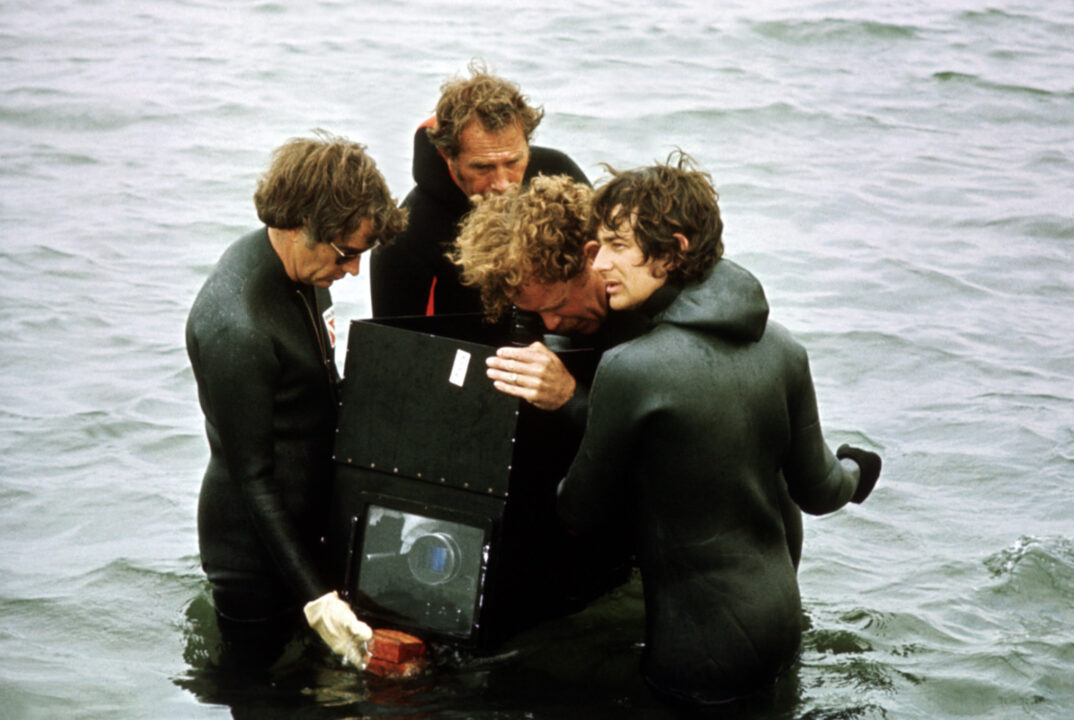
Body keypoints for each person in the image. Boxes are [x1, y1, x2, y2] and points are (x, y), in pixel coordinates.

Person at [556, 152, 883, 706]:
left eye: (617, 245)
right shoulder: (784, 347)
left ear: (676, 249)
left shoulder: (633, 368)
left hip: (699, 653)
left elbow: (577, 511)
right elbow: (822, 492)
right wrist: (857, 466)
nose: (599, 264)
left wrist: (567, 406)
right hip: (781, 620)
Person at [451, 173, 805, 571]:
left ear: (591, 258)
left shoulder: (656, 319)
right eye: (536, 314)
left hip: (754, 537)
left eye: (559, 304)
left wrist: (570, 397)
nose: (550, 325)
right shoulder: (595, 313)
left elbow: (676, 438)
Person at [185, 132, 407, 671]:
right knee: (256, 692)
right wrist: (317, 597)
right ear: (300, 226)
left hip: (310, 525)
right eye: (348, 254)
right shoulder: (238, 327)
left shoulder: (302, 268)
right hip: (254, 553)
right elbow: (251, 478)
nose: (354, 270)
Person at [370, 61, 590, 318]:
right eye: (483, 167)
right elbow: (394, 347)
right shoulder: (408, 237)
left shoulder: (558, 174)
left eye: (513, 162)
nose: (503, 184)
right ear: (448, 156)